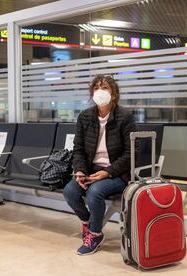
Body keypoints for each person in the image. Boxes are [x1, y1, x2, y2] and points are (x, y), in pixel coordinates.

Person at [63, 74, 137, 255]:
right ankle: (88, 222)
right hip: (90, 170)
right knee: (70, 191)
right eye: (96, 88)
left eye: (105, 88)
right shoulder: (85, 117)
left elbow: (131, 153)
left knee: (95, 192)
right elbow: (78, 149)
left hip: (118, 173)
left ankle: (95, 234)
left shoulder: (124, 117)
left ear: (114, 93)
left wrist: (108, 172)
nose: (100, 91)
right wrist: (80, 170)